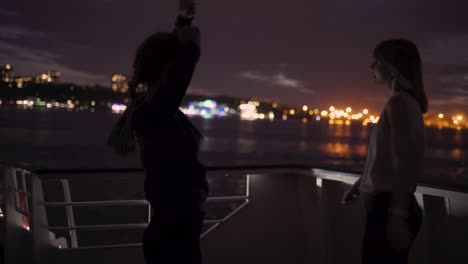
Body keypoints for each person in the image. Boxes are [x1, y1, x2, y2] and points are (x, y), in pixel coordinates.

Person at [108, 0, 208, 263]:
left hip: (178, 232)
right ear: (166, 68)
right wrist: (185, 25)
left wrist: (182, 23)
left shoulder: (155, 110)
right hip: (174, 237)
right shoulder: (156, 112)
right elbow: (188, 54)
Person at [341, 39, 427, 264]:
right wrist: (362, 183)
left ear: (392, 68)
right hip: (389, 204)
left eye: (377, 61)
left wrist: (396, 216)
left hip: (389, 206)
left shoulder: (398, 104)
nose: (371, 67)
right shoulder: (409, 104)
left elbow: (403, 162)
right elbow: (388, 159)